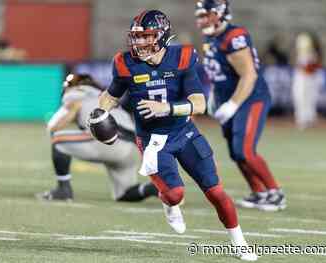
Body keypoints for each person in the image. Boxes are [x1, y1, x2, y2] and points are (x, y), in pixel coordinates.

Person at [90, 9, 257, 261]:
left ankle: (239, 242)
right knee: (175, 194)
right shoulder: (126, 64)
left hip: (184, 132)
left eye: (147, 36)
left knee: (215, 192)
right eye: (137, 37)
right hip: (153, 141)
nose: (140, 42)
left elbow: (199, 104)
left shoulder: (183, 57)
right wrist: (100, 112)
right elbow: (111, 94)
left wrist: (166, 108)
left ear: (162, 36)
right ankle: (169, 204)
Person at [195, 0, 286, 211]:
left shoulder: (234, 37)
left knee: (245, 150)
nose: (202, 20)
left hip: (251, 97)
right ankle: (259, 192)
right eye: (200, 15)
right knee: (236, 153)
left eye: (206, 15)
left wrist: (232, 105)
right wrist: (214, 98)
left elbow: (249, 75)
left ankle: (275, 192)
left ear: (220, 13)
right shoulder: (210, 37)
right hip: (228, 98)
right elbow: (217, 74)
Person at [40, 73, 158, 202]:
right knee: (124, 193)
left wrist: (53, 127)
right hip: (133, 148)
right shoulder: (106, 96)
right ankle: (151, 188)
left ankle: (63, 190)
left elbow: (61, 121)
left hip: (110, 141)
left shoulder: (76, 94)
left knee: (58, 140)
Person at [292, 31, 325, 130]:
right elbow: (297, 64)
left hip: (310, 78)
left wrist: (307, 66)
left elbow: (314, 66)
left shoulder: (314, 53)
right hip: (300, 77)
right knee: (299, 97)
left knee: (310, 98)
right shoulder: (300, 53)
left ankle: (310, 119)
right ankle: (301, 120)